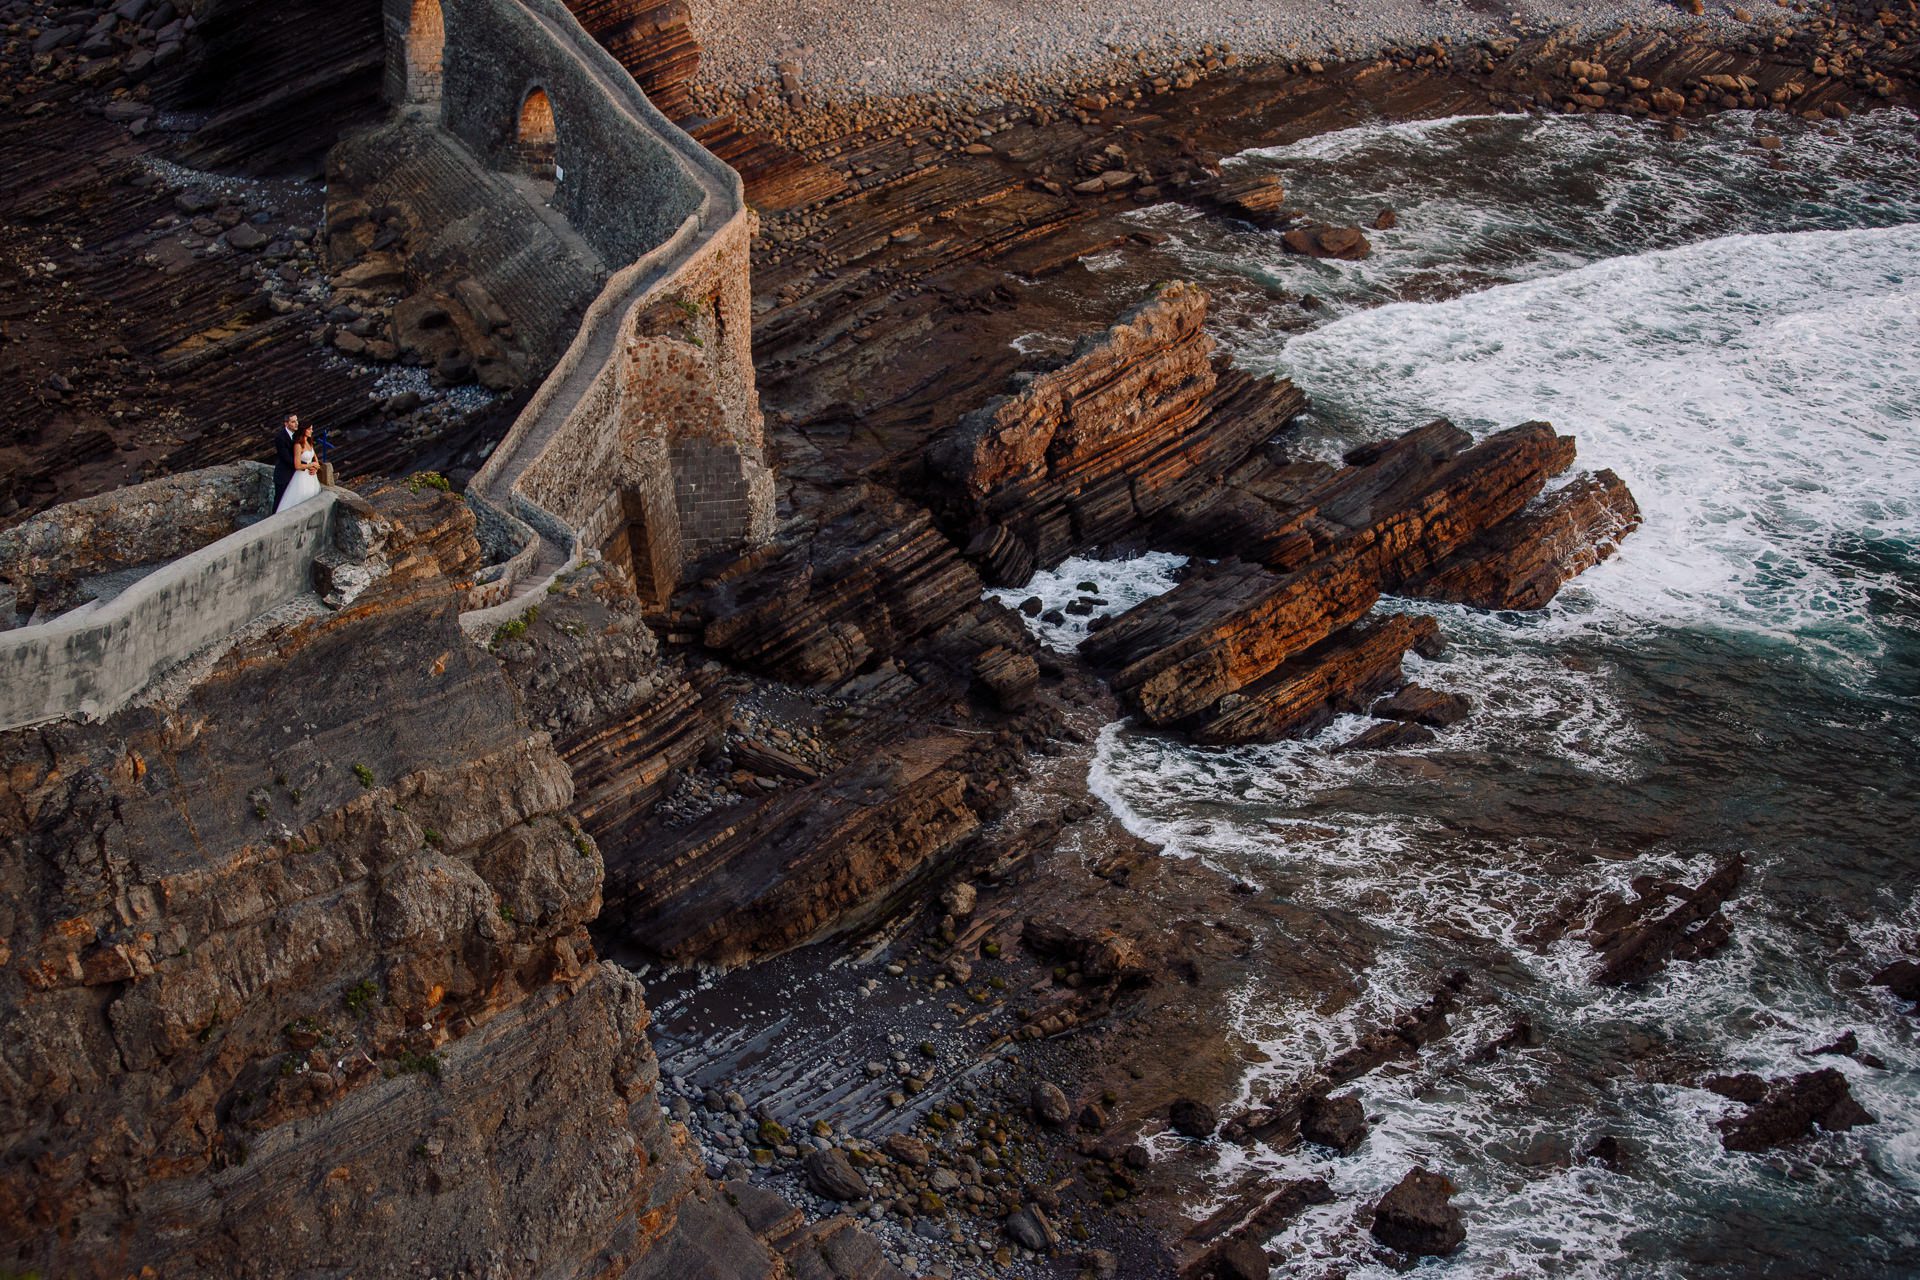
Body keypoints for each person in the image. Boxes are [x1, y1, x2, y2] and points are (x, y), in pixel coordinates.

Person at [275, 419, 322, 513]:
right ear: (304, 430)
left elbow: (315, 460)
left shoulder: (310, 442)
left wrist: (316, 468)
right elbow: (297, 466)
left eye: (312, 429)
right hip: (301, 476)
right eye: (309, 429)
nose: (311, 431)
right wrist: (311, 465)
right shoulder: (298, 445)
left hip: (311, 476)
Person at [271, 412, 299, 509]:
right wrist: (303, 465)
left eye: (297, 421)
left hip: (294, 474)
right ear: (286, 424)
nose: (296, 423)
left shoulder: (298, 435)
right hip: (283, 475)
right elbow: (286, 458)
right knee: (280, 500)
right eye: (293, 422)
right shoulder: (280, 437)